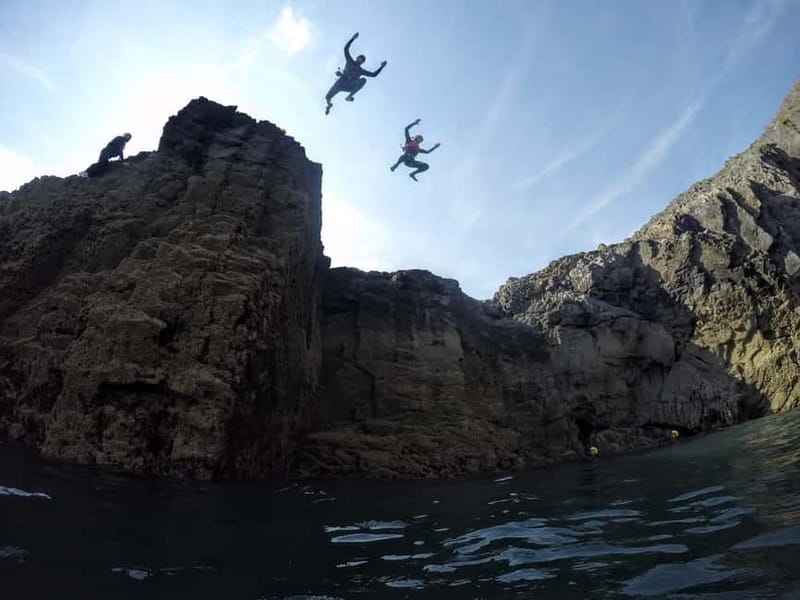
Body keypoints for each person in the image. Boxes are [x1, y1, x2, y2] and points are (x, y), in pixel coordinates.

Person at [325, 32, 387, 115]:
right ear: (357, 58)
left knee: (363, 80)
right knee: (327, 97)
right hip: (340, 82)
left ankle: (349, 96)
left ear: (362, 63)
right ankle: (329, 105)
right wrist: (353, 39)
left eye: (362, 60)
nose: (360, 61)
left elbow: (373, 75)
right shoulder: (350, 61)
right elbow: (346, 49)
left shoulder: (361, 70)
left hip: (350, 85)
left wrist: (381, 67)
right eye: (359, 58)